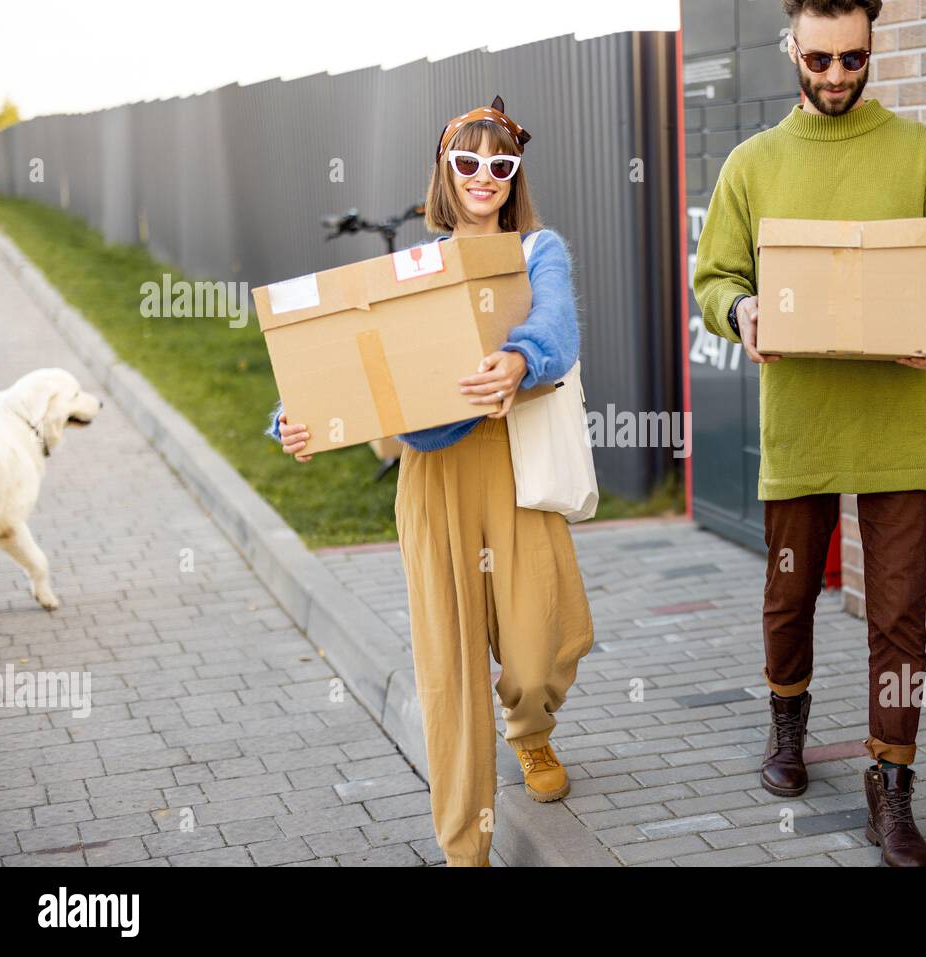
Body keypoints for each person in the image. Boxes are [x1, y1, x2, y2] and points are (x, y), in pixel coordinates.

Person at [693, 0, 926, 867]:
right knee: (790, 596)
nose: (834, 77)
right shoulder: (753, 164)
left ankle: (891, 786)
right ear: (793, 44)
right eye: (818, 59)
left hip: (899, 422)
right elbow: (717, 273)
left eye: (852, 60)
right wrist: (740, 307)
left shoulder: (922, 154)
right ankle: (786, 727)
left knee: (899, 615)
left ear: (872, 45)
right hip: (801, 422)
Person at [264, 96, 593, 867]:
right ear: (445, 173)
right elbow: (351, 353)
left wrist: (518, 359)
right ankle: (465, 848)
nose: (485, 176)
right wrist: (298, 417)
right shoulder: (415, 267)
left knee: (543, 646)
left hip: (516, 469)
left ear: (516, 176)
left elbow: (556, 328)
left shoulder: (537, 249)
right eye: (468, 162)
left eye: (500, 164)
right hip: (432, 478)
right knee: (449, 676)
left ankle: (532, 730)